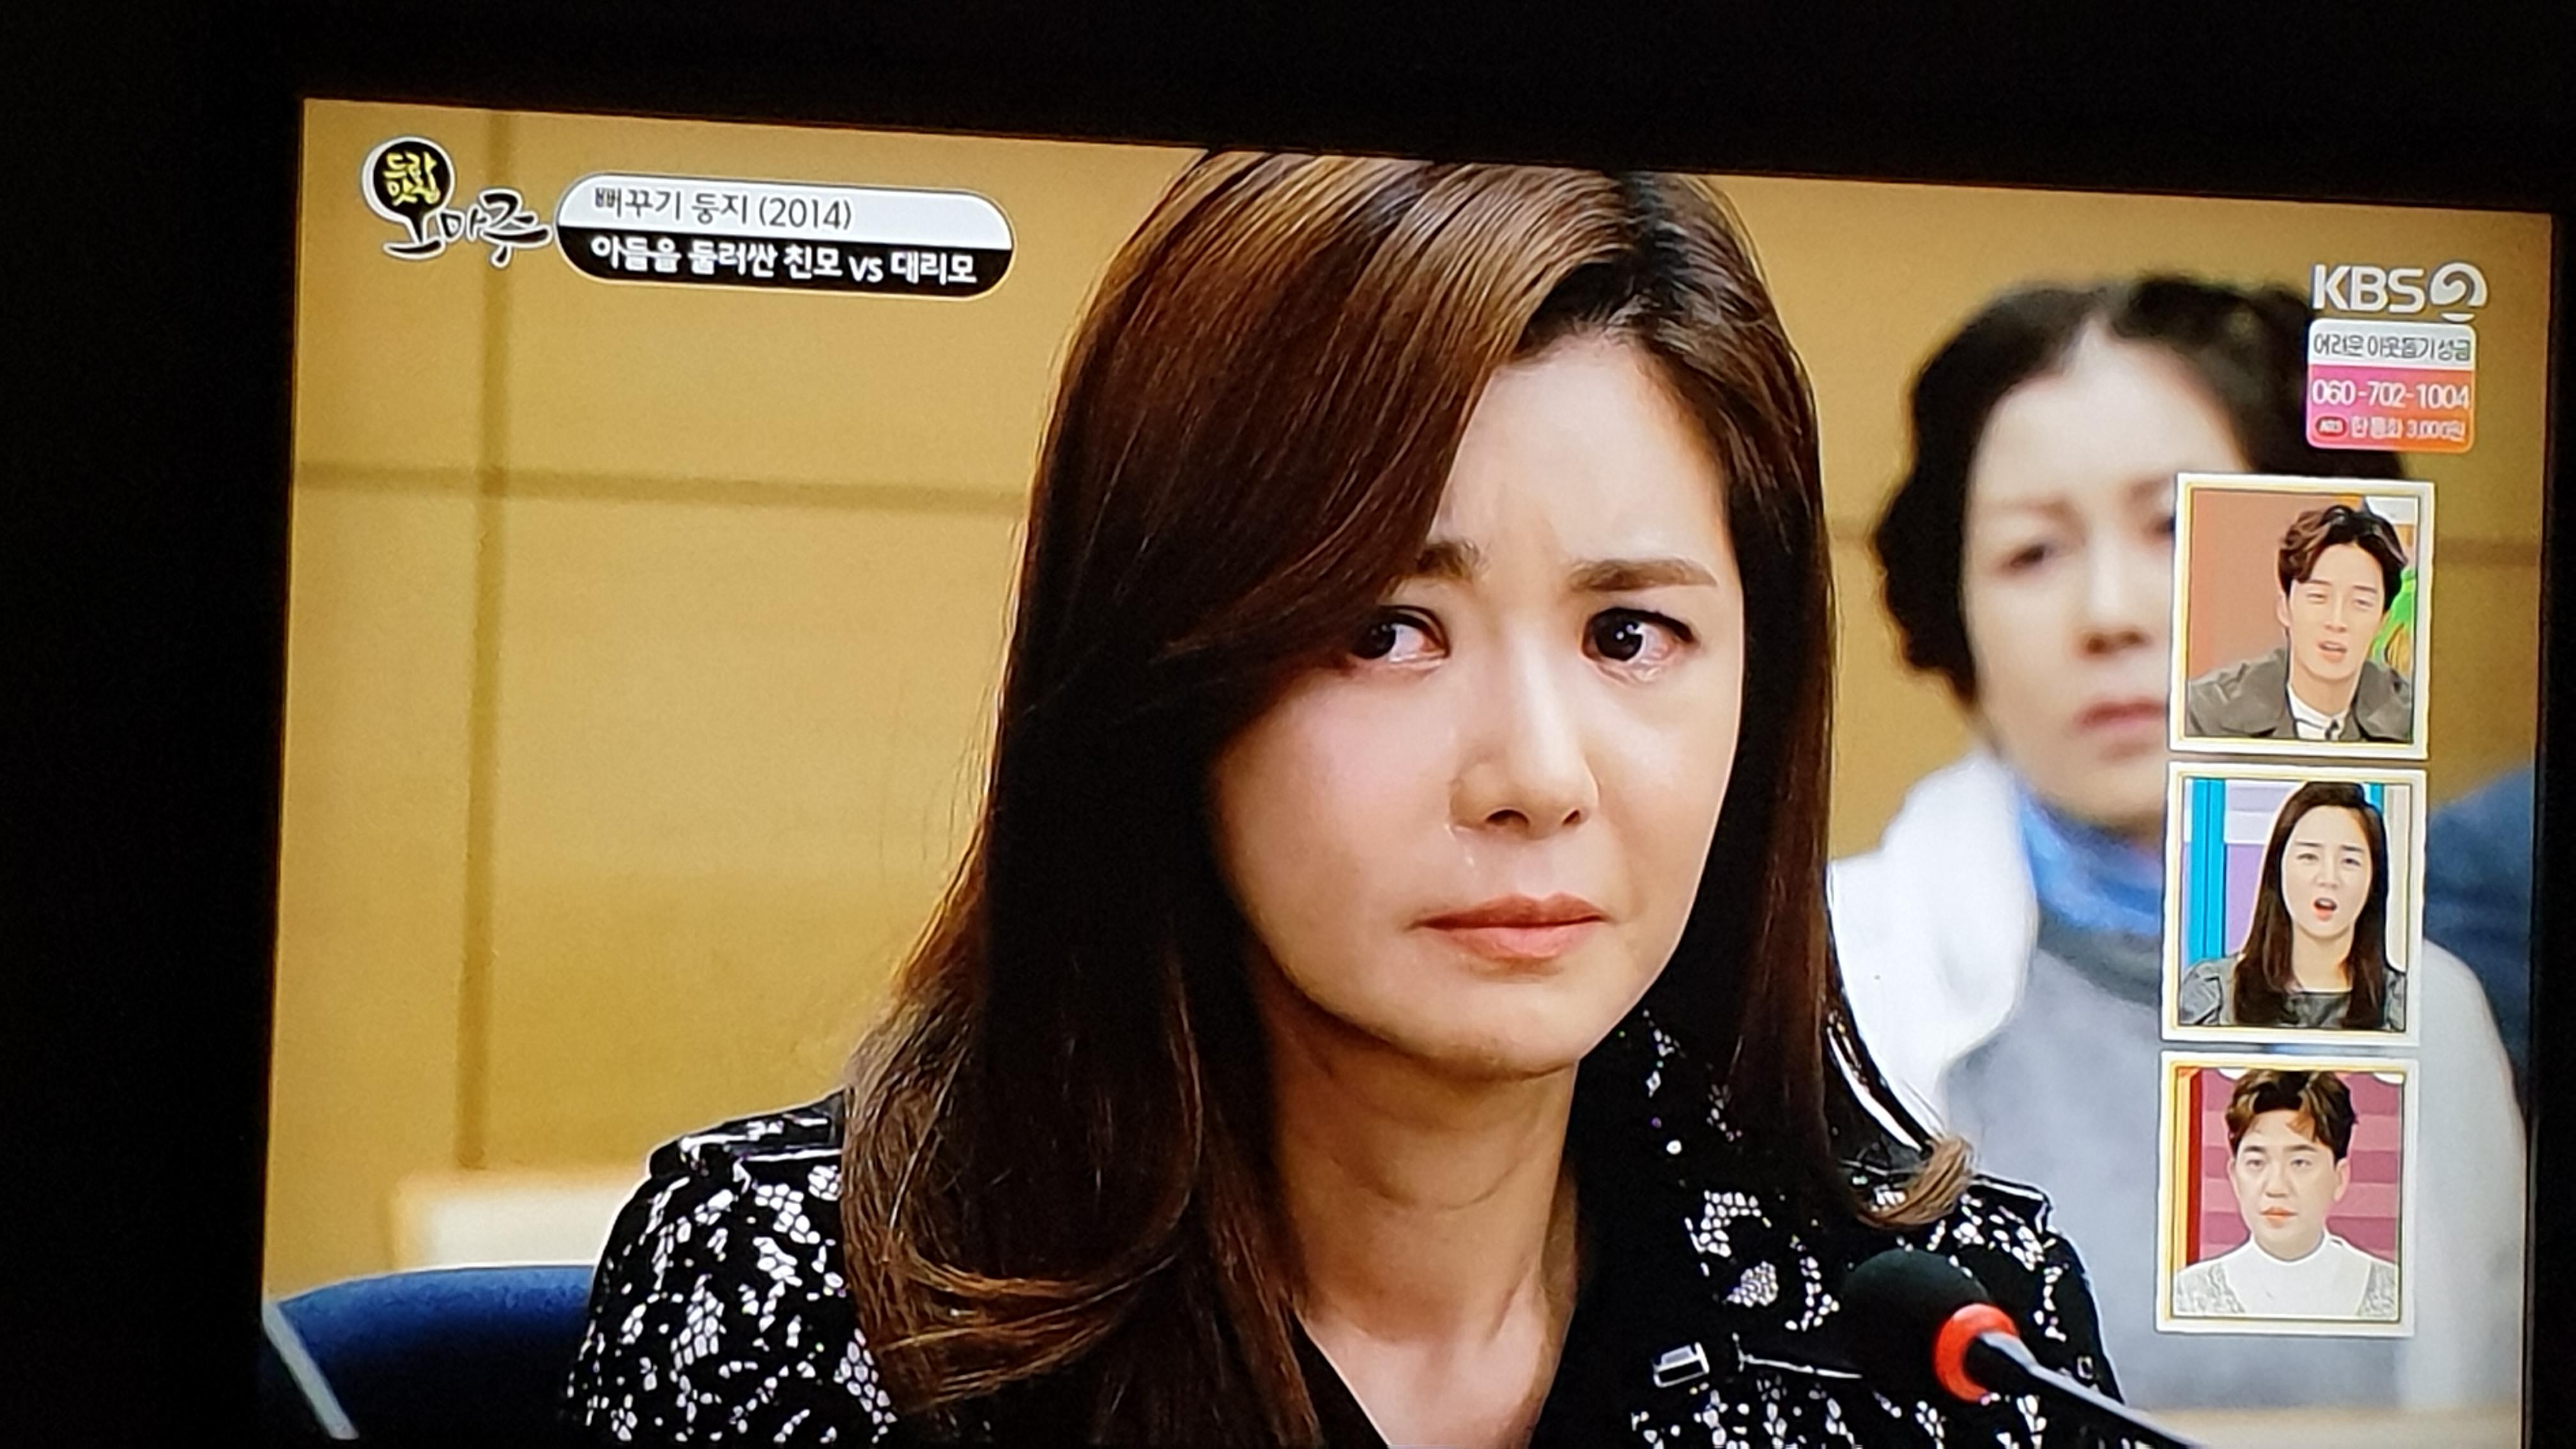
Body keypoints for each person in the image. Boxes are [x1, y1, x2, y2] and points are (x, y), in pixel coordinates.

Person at [562, 157, 2123, 1446]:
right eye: (1385, 631)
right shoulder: (807, 1308)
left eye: (1629, 636)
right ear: (1160, 673)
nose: (1535, 777)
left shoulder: (1955, 1343)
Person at [1831, 276, 2523, 1411]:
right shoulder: (1825, 983)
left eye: (2174, 528)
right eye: (2031, 553)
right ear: (1951, 610)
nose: (2111, 612)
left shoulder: (2434, 1016)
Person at [2176, 781, 2406, 1031]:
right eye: (2309, 857)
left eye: (2350, 861)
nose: (2329, 878)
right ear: (2278, 869)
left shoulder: (2402, 1005)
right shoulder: (2214, 995)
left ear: (2374, 880)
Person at [2171, 1070, 2398, 1322]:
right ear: (2234, 1176)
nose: (2276, 1187)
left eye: (2300, 1162)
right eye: (2256, 1163)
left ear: (2340, 1177)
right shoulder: (2186, 1297)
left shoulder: (2396, 1293)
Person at [2181, 503, 2414, 744]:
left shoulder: (2414, 719)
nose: (2337, 622)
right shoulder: (2203, 713)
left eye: (2361, 602)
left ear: (2382, 620)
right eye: (2319, 597)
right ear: (2285, 608)